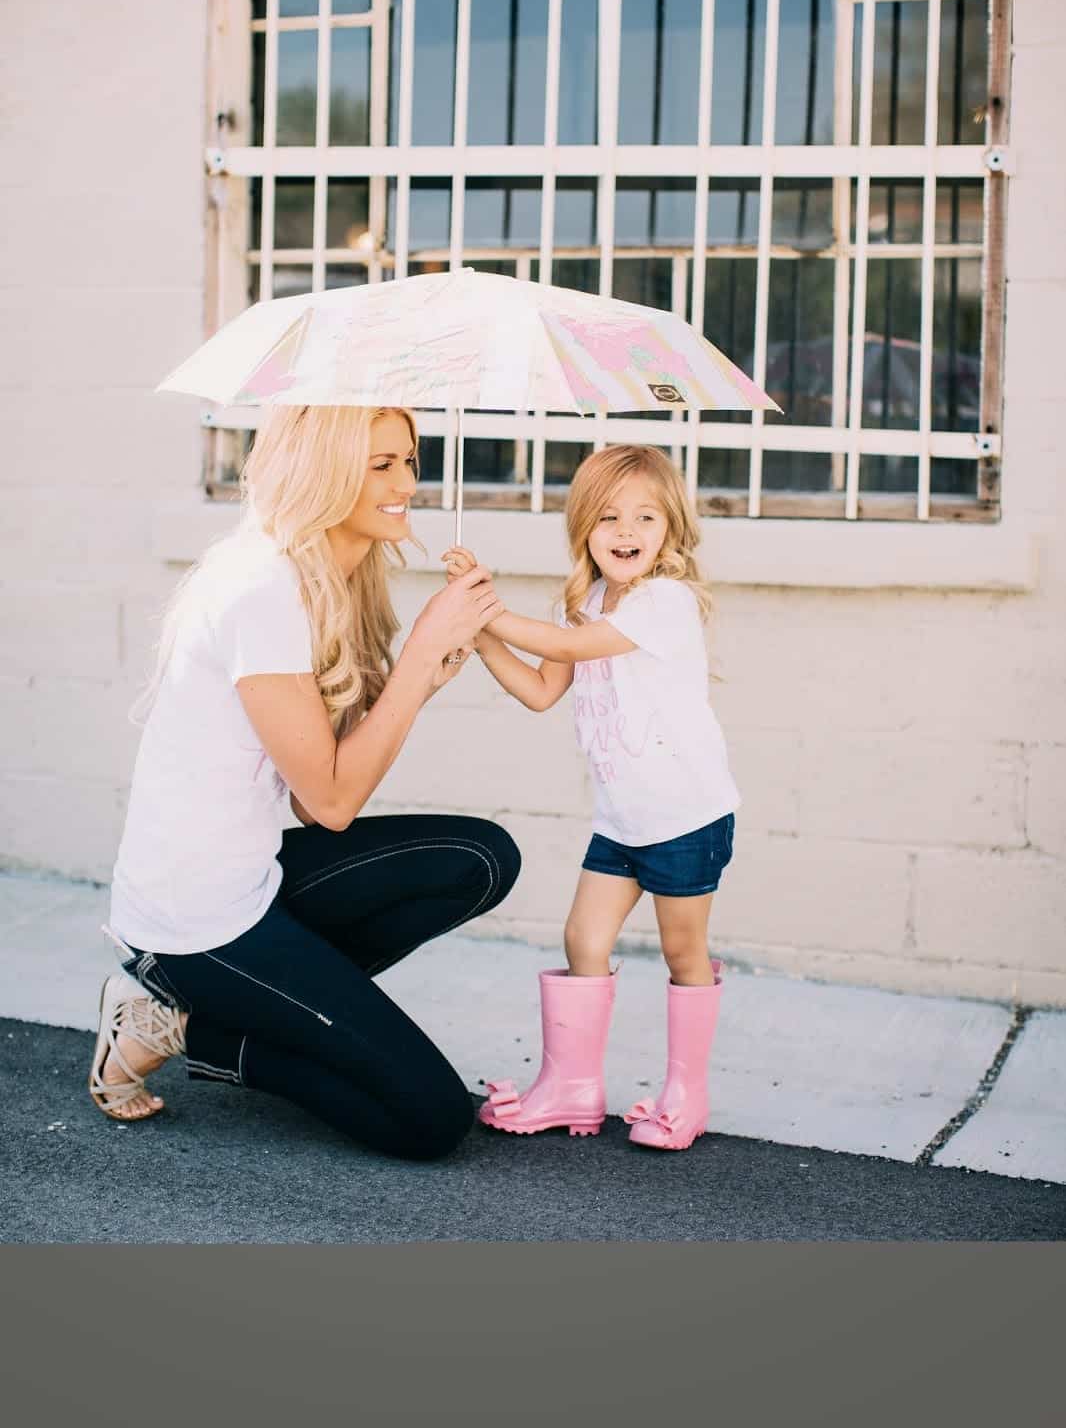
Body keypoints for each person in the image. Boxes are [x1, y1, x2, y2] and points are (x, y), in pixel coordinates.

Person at [89, 404, 520, 1161]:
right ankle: (194, 1026)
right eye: (380, 465)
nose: (407, 483)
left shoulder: (328, 581)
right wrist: (419, 657)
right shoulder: (261, 586)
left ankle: (275, 1008)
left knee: (482, 858)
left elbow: (304, 803)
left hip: (256, 879)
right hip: (194, 925)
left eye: (410, 461)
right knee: (429, 1118)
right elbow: (330, 801)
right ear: (322, 471)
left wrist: (423, 679)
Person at [443, 444, 738, 1152]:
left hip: (686, 817)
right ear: (583, 527)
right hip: (623, 818)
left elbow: (571, 651)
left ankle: (685, 1095)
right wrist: (480, 632)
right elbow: (544, 690)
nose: (626, 530)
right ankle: (573, 1087)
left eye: (644, 515)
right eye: (608, 516)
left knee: (683, 950)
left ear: (670, 529)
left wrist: (485, 603)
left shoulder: (666, 602)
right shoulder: (588, 603)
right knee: (583, 939)